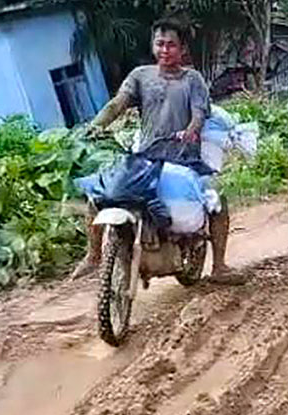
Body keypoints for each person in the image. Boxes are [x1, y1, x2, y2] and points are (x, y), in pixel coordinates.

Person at [73, 18, 239, 283]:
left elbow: (199, 114)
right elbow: (118, 104)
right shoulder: (140, 76)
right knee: (99, 190)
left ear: (182, 49)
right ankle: (94, 256)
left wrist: (191, 129)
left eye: (171, 45)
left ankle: (219, 267)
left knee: (218, 200)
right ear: (153, 46)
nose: (165, 50)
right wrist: (96, 125)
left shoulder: (193, 80)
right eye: (160, 44)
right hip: (147, 156)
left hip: (185, 158)